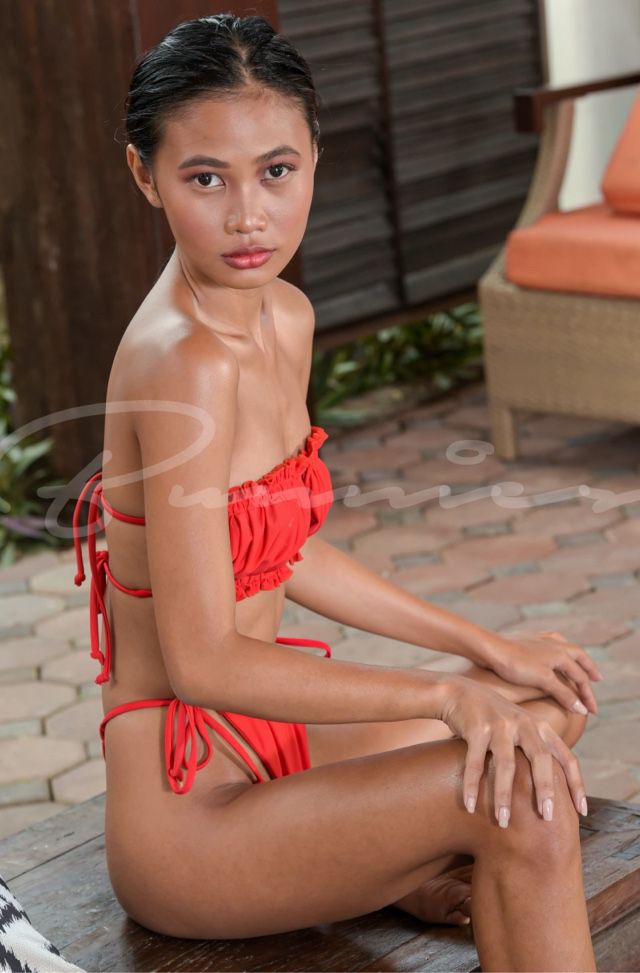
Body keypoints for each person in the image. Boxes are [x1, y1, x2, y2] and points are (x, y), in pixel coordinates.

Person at [70, 13, 600, 969]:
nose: (248, 217)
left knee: (544, 700)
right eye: (205, 178)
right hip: (191, 813)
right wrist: (444, 695)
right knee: (525, 789)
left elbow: (284, 546)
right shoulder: (178, 362)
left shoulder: (282, 314)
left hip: (278, 744)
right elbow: (202, 662)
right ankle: (412, 861)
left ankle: (387, 860)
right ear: (145, 176)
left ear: (314, 155)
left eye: (277, 170)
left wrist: (482, 646)